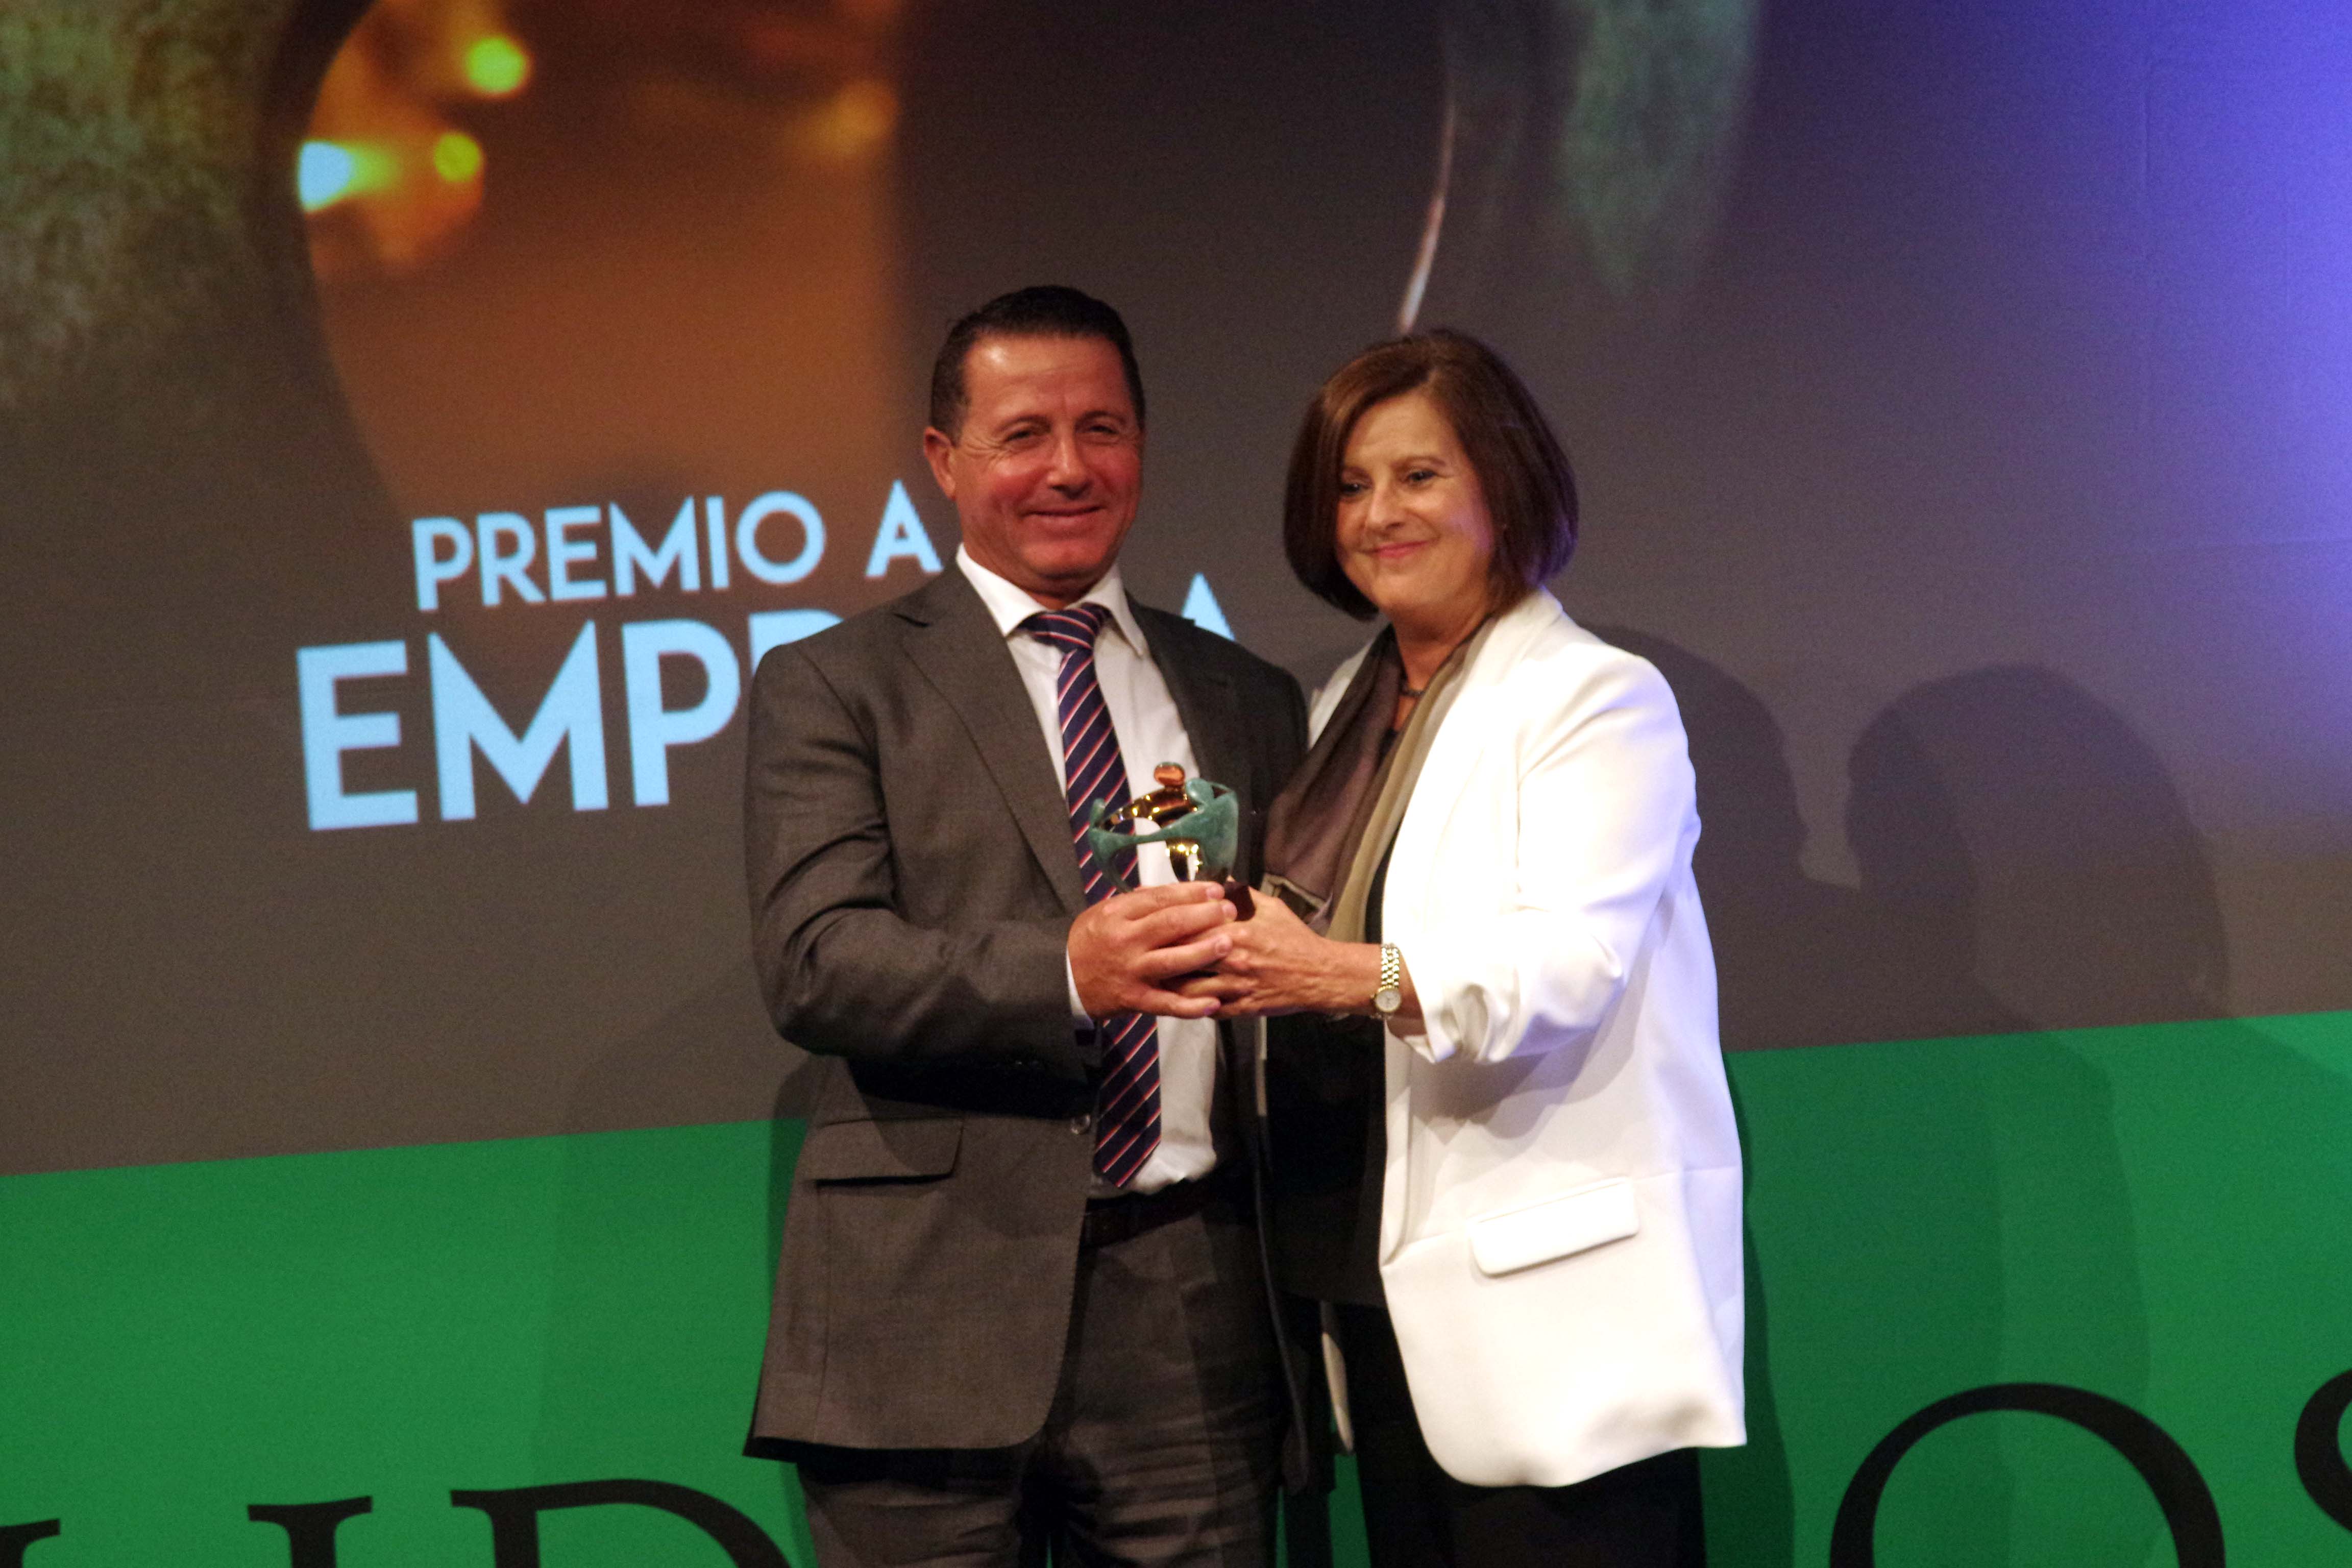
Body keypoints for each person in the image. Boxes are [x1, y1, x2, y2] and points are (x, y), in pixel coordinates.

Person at [740, 285, 1311, 1568]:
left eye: (1102, 429)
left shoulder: (1245, 693)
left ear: (1142, 447)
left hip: (1195, 1305)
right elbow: (817, 962)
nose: (1069, 469)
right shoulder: (837, 683)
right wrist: (1068, 968)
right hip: (928, 1304)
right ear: (944, 460)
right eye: (1023, 435)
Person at [1182, 330, 1744, 1566]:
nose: (1378, 513)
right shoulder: (1340, 705)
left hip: (1544, 1307)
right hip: (1368, 1278)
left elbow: (1568, 969)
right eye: (1350, 484)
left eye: (1419, 475)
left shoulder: (1595, 697)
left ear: (1504, 482)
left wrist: (1340, 973)